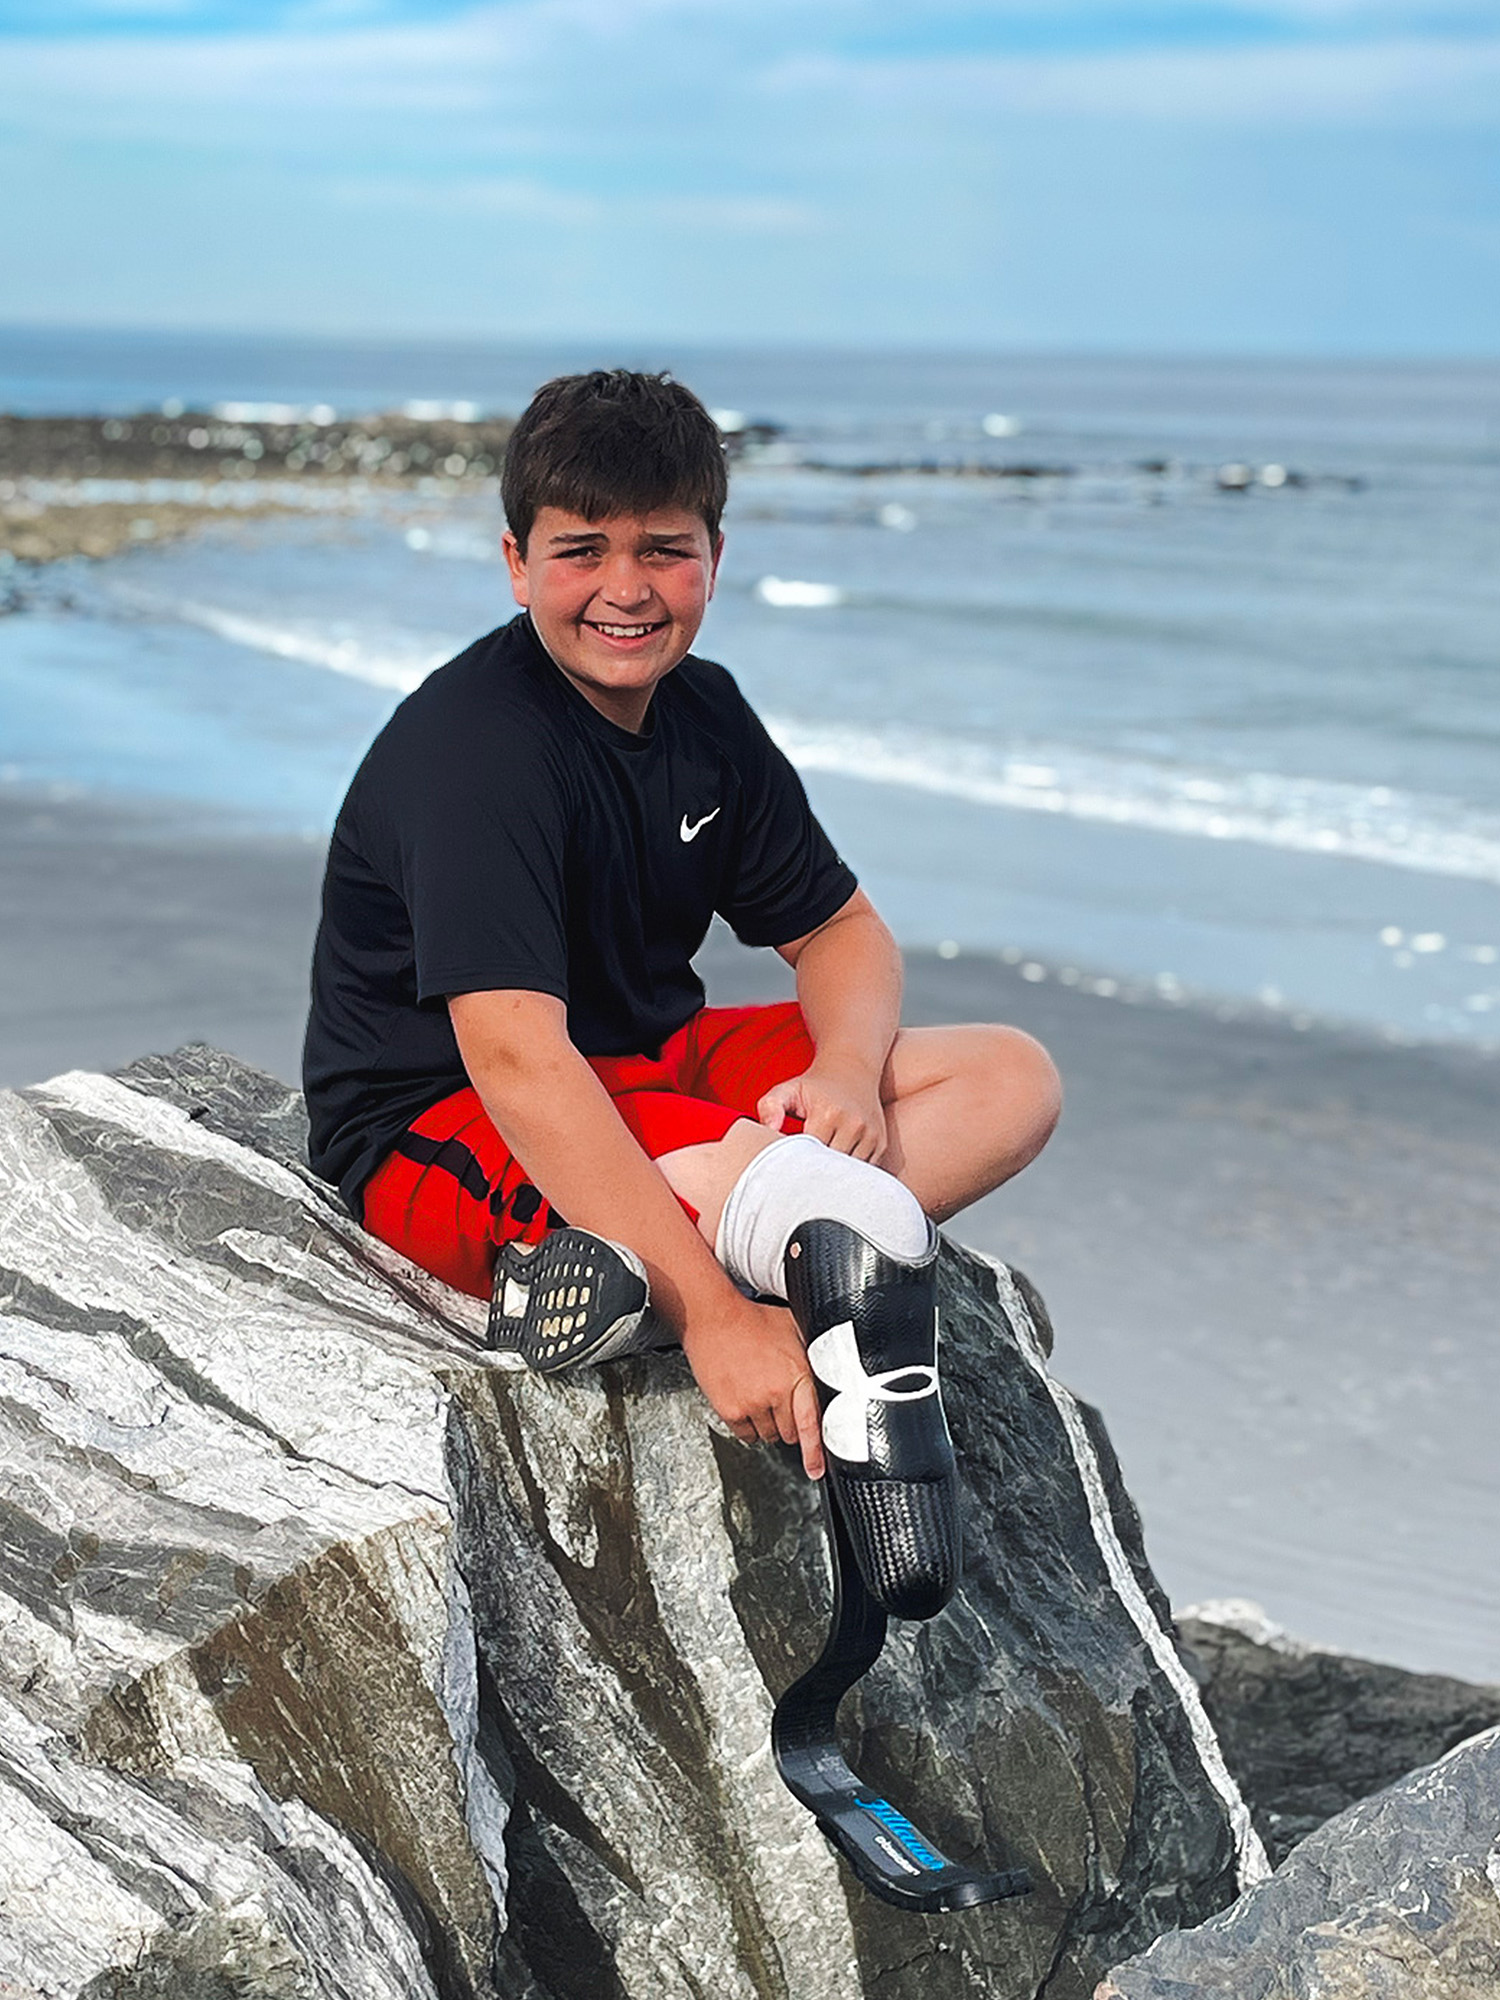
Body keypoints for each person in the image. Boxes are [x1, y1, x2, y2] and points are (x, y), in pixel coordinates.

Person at [303, 370, 1059, 1618]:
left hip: (649, 1062)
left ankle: (649, 1265)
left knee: (1009, 1075)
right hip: (445, 1119)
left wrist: (848, 1074)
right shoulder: (478, 748)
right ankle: (715, 1268)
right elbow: (515, 1058)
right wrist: (718, 1318)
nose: (626, 587)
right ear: (514, 561)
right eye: (581, 549)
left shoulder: (702, 713)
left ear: (714, 552)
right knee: (812, 1194)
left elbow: (842, 930)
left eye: (665, 548)